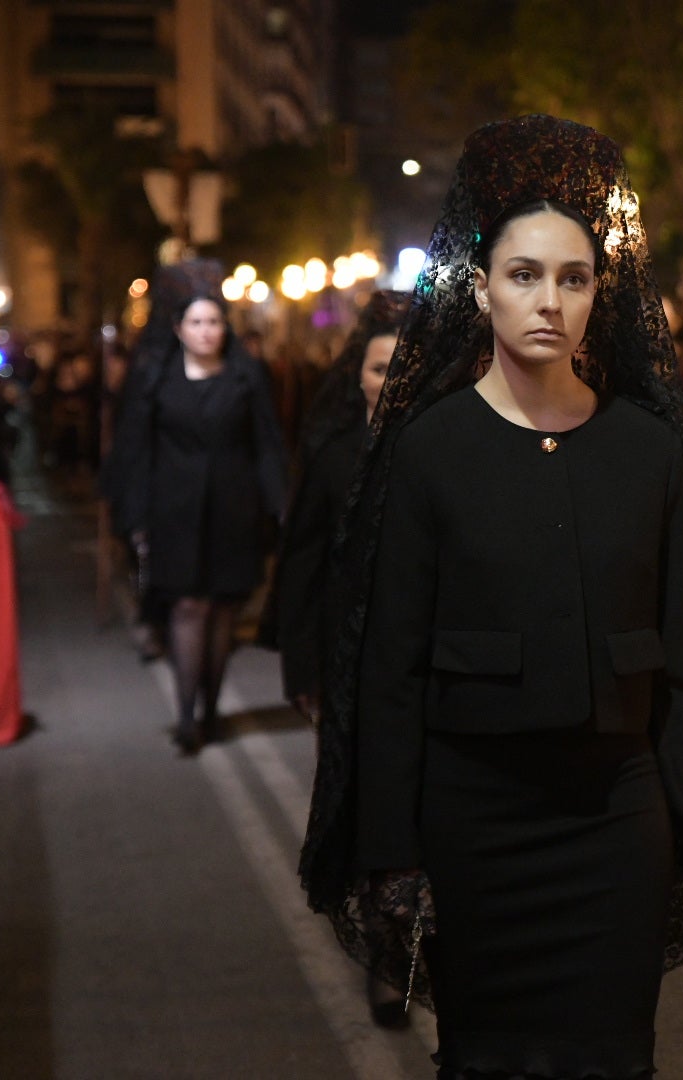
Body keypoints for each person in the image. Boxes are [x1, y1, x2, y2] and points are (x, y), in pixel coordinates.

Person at [298, 115, 683, 1080]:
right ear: (479, 290)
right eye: (524, 275)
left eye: (573, 277)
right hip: (476, 828)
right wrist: (393, 854)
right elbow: (388, 671)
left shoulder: (646, 452)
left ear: (603, 293)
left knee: (614, 1063)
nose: (549, 300)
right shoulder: (430, 449)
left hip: (616, 832)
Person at [262, 290, 409, 1027]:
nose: (389, 380)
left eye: (403, 366)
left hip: (430, 669)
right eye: (380, 367)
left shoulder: (450, 447)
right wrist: (305, 673)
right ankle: (387, 958)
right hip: (351, 670)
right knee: (374, 817)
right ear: (360, 374)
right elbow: (304, 571)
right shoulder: (331, 455)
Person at [105, 277, 287, 753]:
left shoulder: (246, 377)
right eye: (197, 322)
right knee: (187, 606)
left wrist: (280, 507)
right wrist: (136, 513)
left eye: (214, 322)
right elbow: (137, 450)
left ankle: (210, 708)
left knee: (223, 607)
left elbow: (267, 445)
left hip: (234, 510)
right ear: (179, 329)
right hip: (174, 511)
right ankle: (187, 715)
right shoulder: (156, 380)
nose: (206, 331)